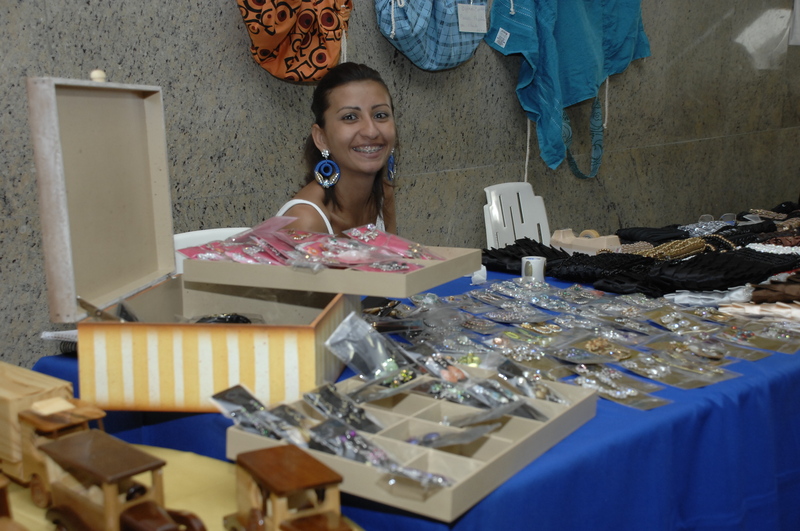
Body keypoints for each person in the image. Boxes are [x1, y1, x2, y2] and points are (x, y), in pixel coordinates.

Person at [276, 62, 397, 235]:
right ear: (321, 138)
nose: (371, 131)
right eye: (350, 117)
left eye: (380, 115)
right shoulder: (306, 220)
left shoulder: (383, 194)